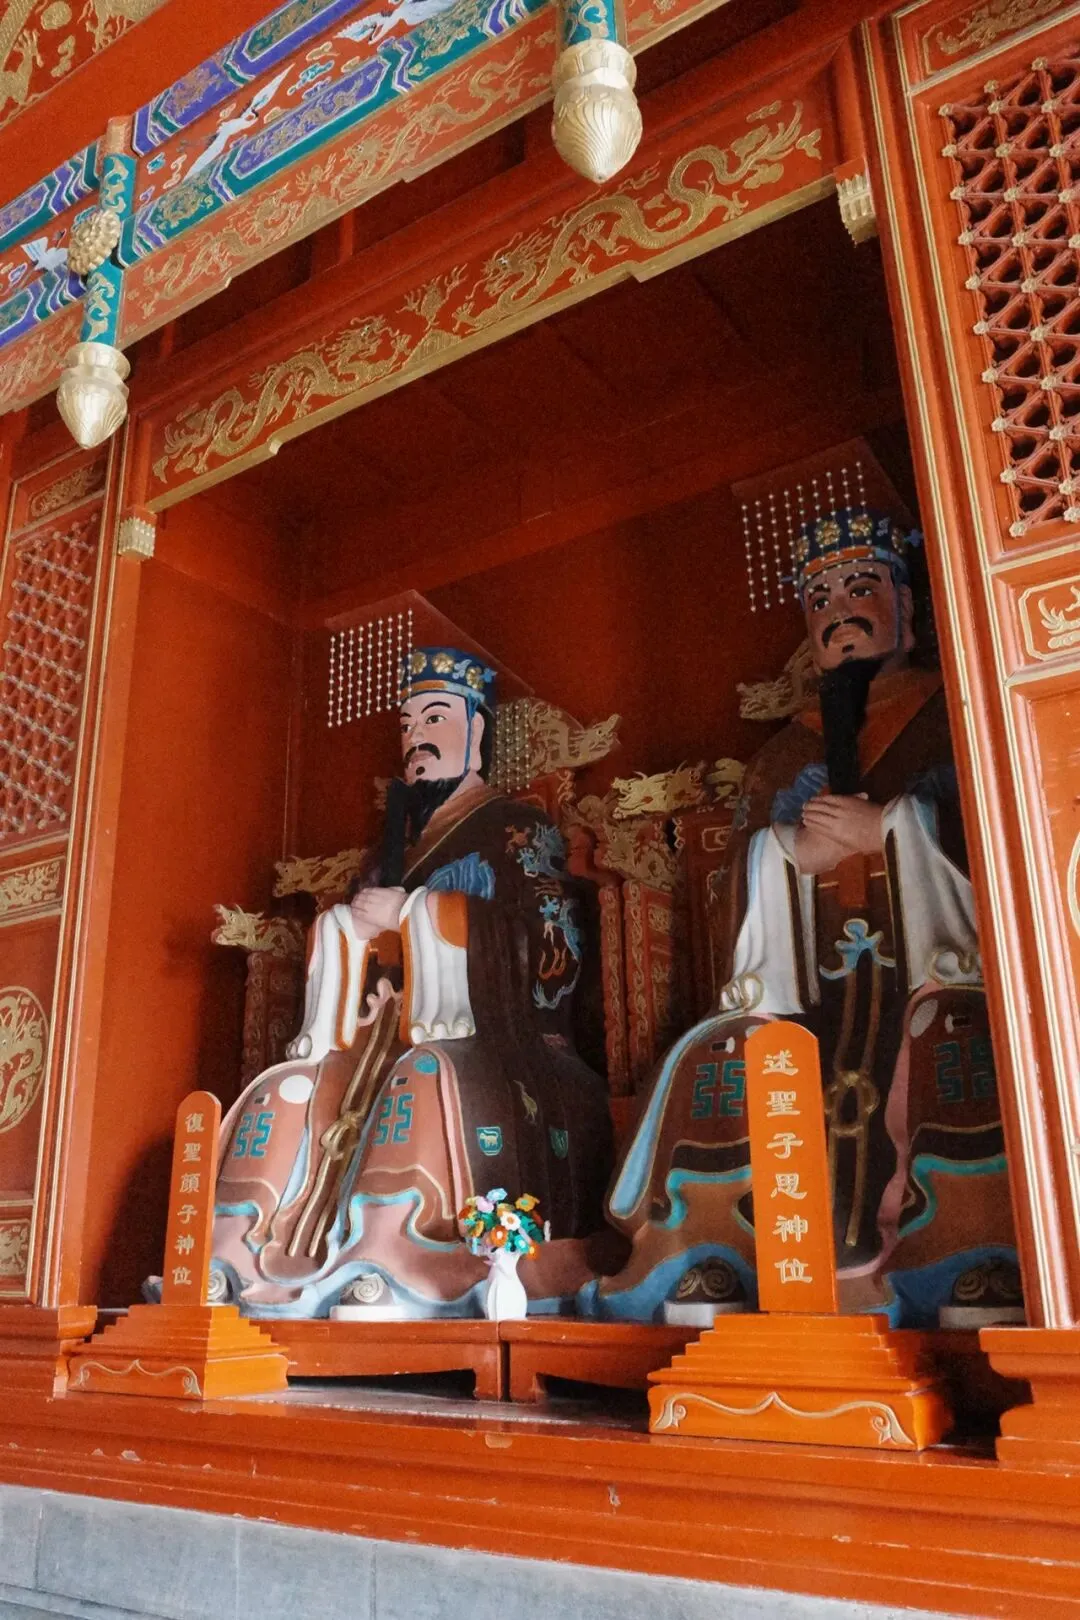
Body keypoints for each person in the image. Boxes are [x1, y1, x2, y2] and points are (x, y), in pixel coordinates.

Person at [591, 508, 1021, 1329]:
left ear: (907, 605)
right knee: (716, 1052)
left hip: (932, 971)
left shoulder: (958, 713)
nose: (839, 613)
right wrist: (785, 854)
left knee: (956, 1035)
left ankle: (971, 1250)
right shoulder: (785, 752)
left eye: (861, 590)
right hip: (809, 986)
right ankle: (716, 1251)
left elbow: (1007, 833)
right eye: (819, 601)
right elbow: (734, 880)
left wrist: (894, 830)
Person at [210, 647, 613, 1318]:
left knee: (422, 1074)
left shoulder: (518, 828)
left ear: (476, 731)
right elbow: (357, 949)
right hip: (370, 1038)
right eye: (406, 724)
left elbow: (554, 950)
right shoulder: (389, 851)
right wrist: (350, 929)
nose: (415, 737)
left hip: (494, 1036)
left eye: (435, 717)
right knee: (286, 1088)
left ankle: (392, 1253)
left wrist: (417, 915)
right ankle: (235, 1254)